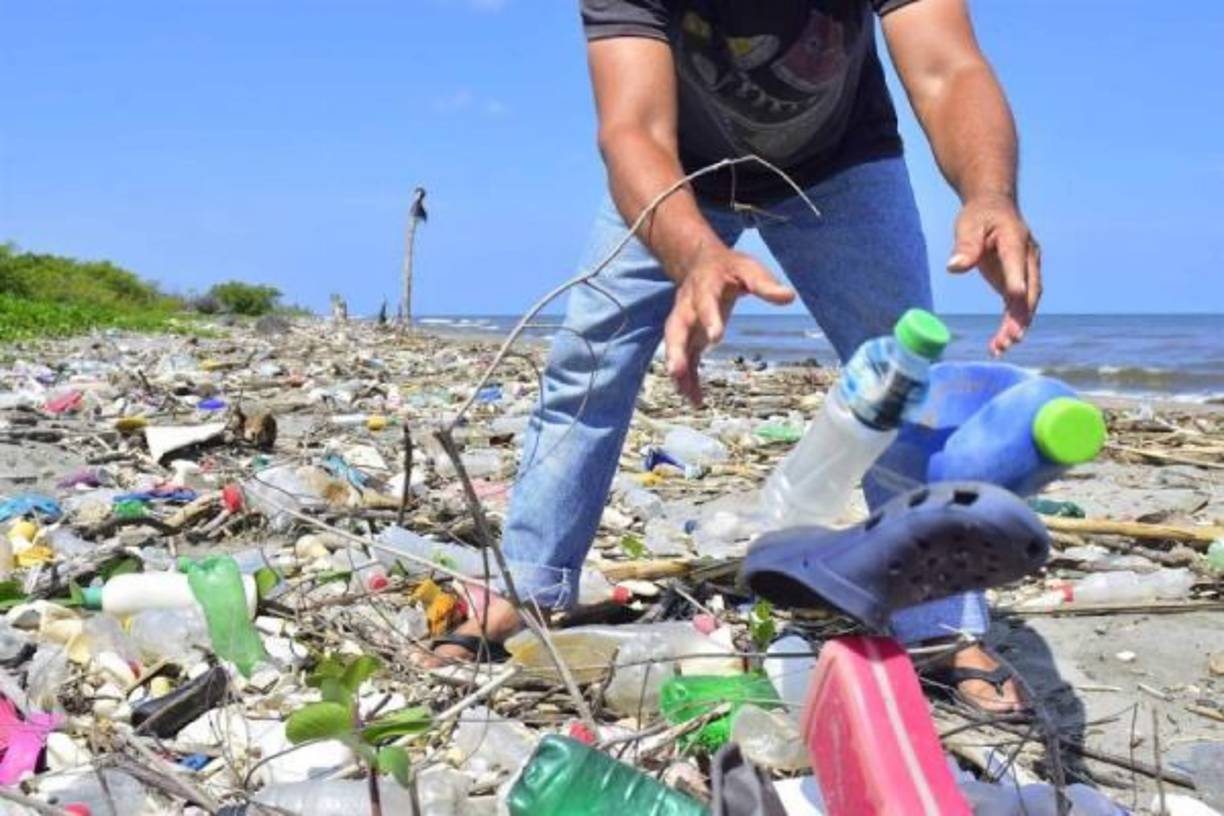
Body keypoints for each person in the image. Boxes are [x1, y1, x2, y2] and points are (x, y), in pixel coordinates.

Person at [427, 0, 1041, 713]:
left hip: (841, 161)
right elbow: (632, 130)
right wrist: (693, 255)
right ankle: (528, 583)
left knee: (903, 369)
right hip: (676, 172)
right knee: (588, 360)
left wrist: (990, 194)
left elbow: (948, 68)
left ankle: (938, 625)